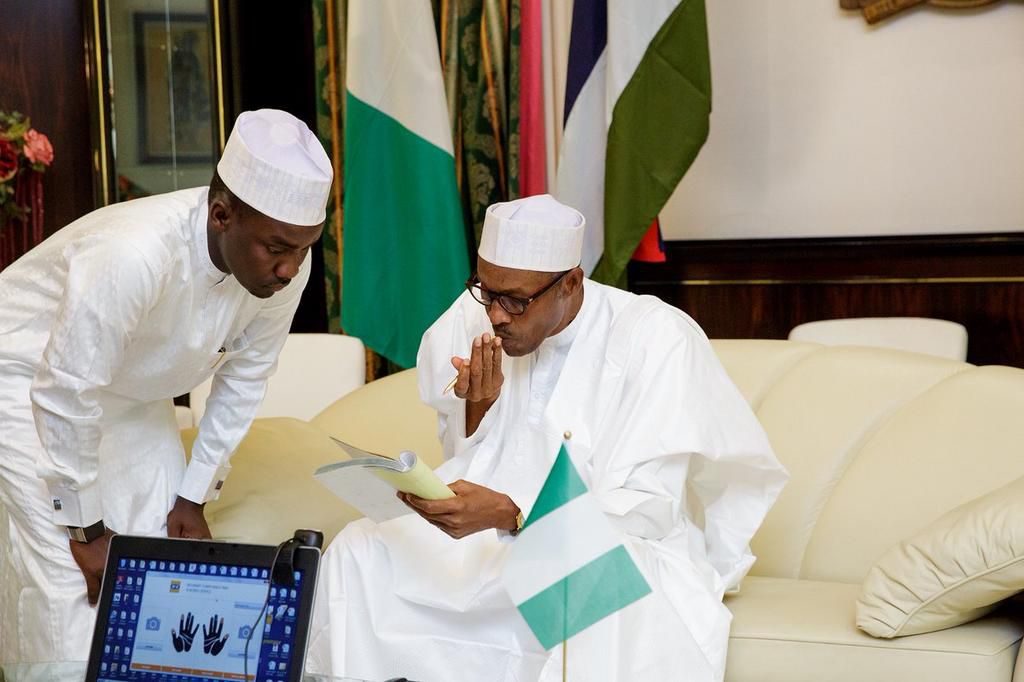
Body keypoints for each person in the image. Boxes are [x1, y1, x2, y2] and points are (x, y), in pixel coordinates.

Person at [306, 194, 788, 681]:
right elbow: (466, 455)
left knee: (576, 577)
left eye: (514, 300)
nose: (495, 315)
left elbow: (645, 511)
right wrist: (479, 406)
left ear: (571, 283)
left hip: (602, 542)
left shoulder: (653, 336)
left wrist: (515, 515)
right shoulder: (480, 313)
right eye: (485, 290)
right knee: (358, 551)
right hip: (485, 536)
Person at [0, 108, 332, 663]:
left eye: (304, 248)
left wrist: (194, 492)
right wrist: (84, 529)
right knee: (73, 582)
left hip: (132, 392)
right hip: (28, 381)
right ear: (221, 214)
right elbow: (65, 390)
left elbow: (245, 377)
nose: (291, 269)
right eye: (278, 249)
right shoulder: (132, 254)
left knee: (160, 564)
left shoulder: (285, 260)